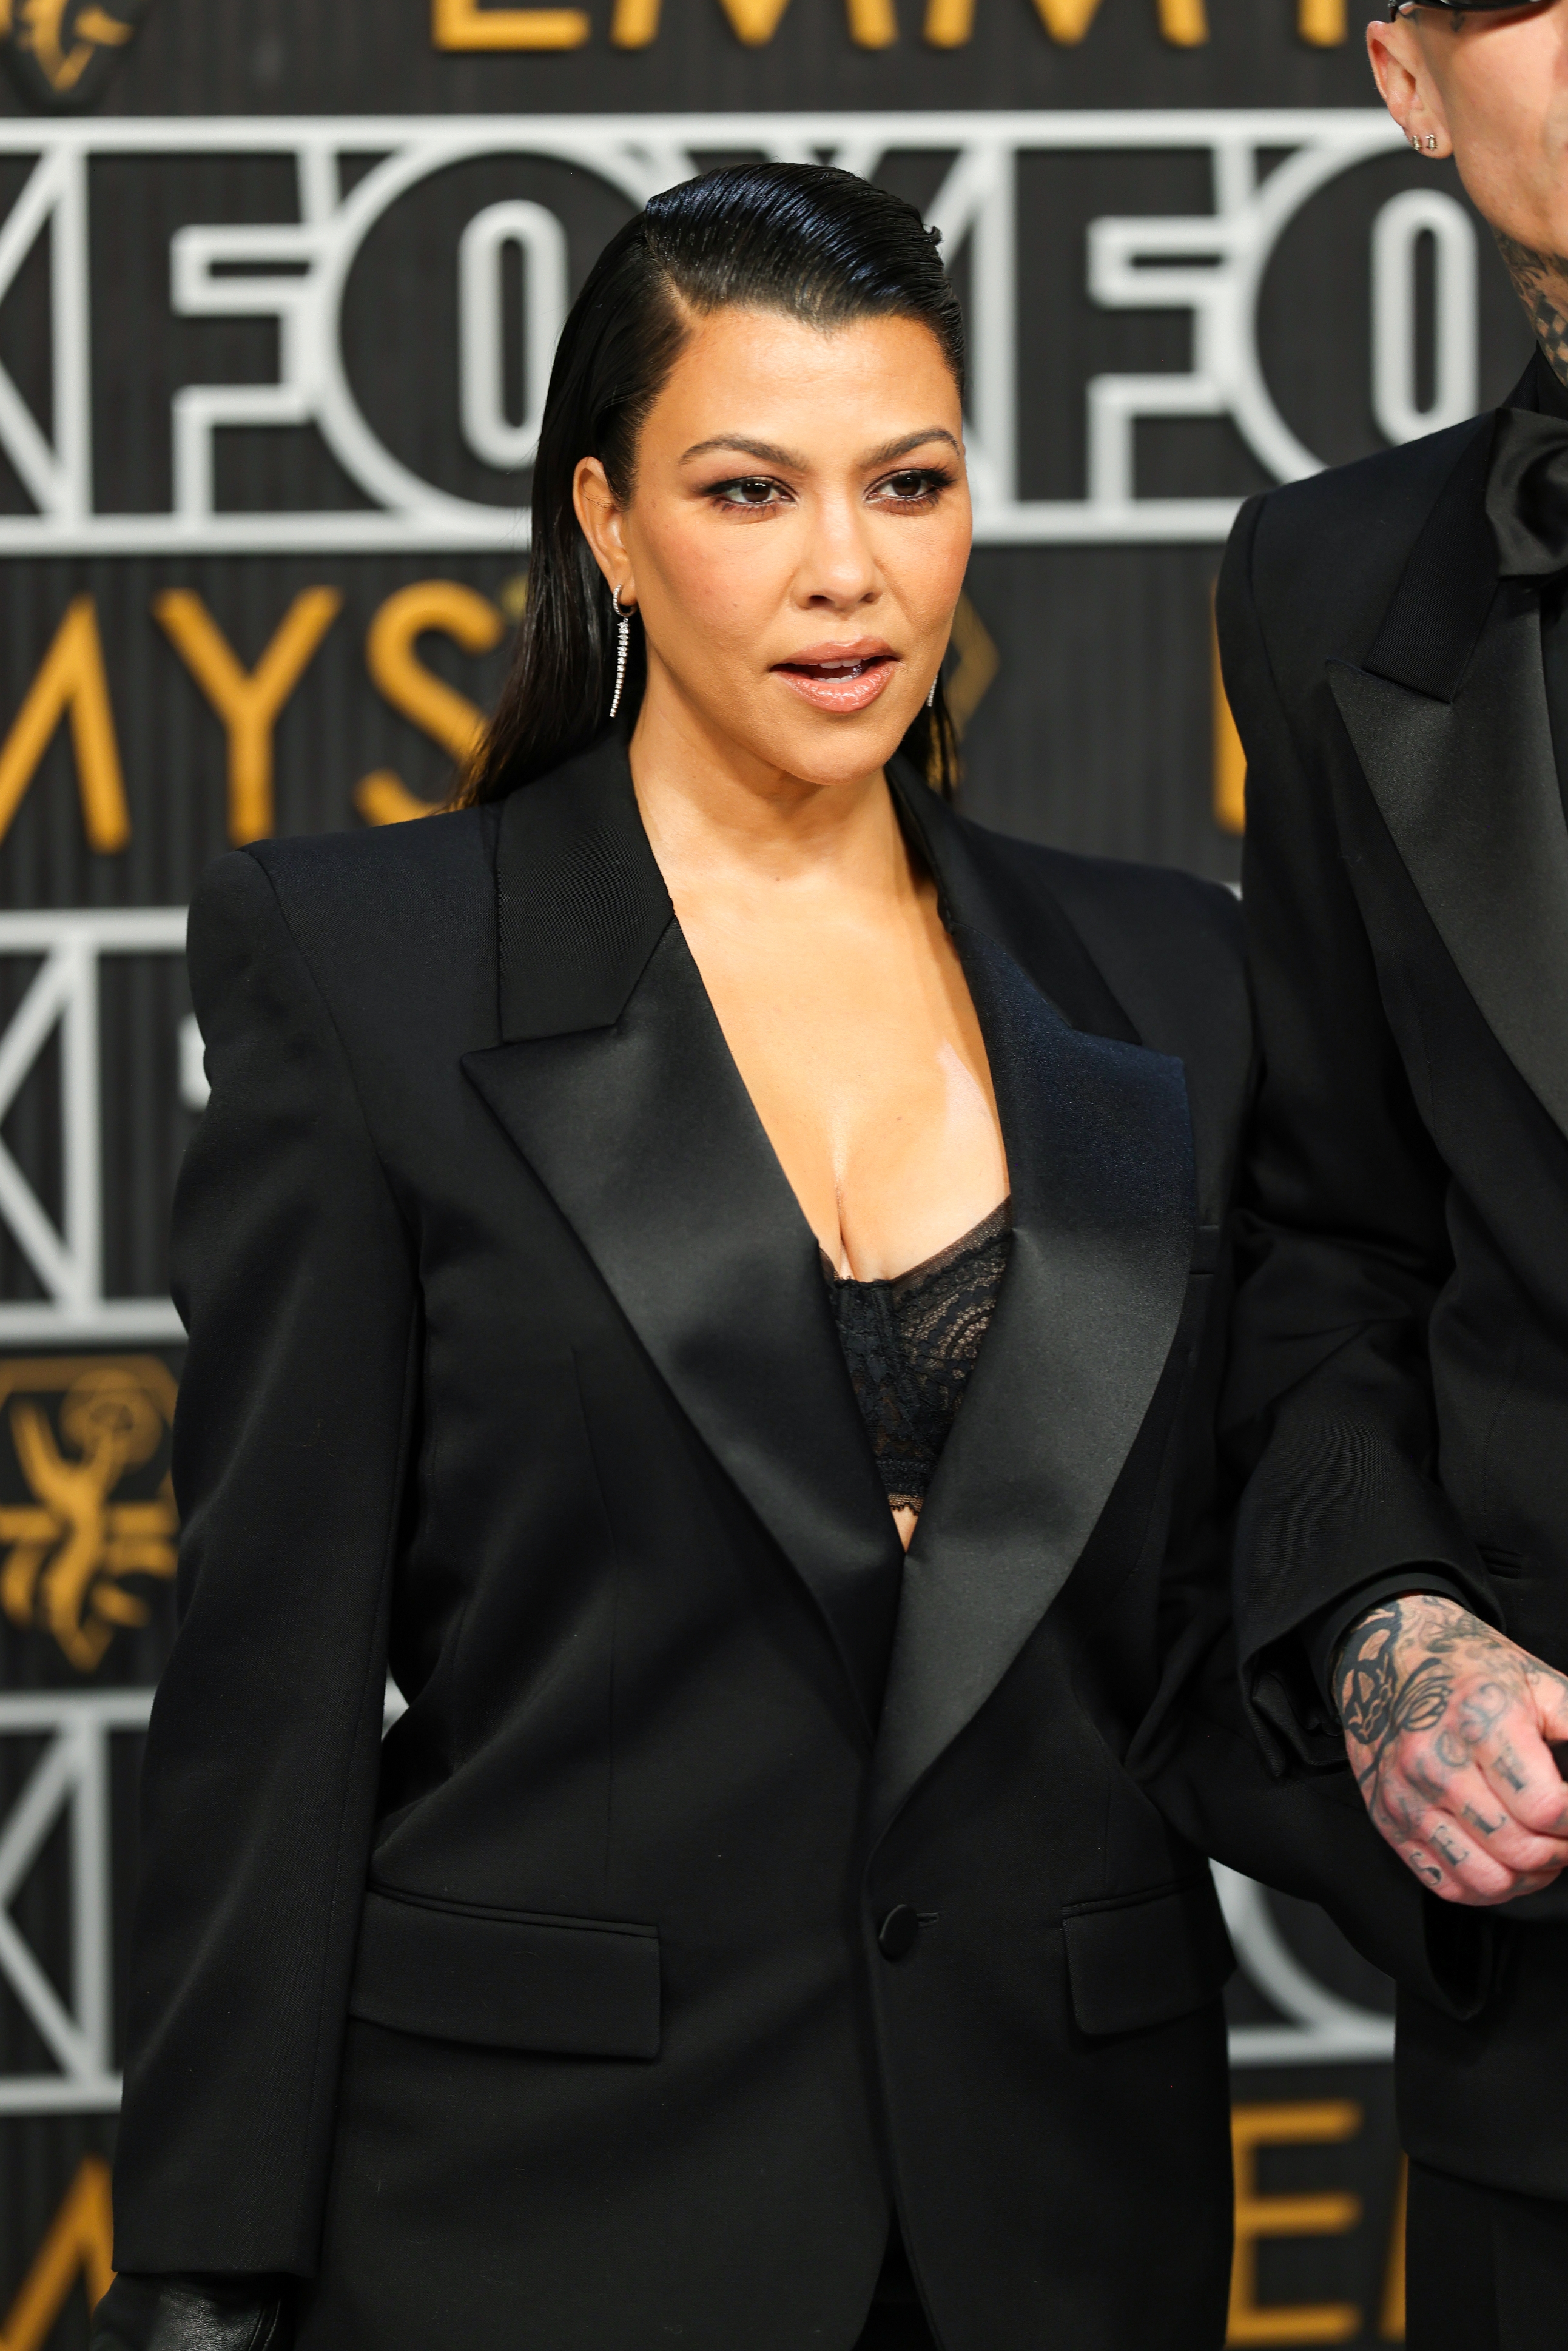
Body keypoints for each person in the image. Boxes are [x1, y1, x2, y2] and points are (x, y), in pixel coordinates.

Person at [95, 165, 1476, 2351]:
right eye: (748, 489)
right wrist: (198, 2272)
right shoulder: (365, 969)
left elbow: (1196, 1617)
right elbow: (262, 1692)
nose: (849, 573)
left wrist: (1438, 1747)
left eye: (909, 483)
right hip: (527, 2212)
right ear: (607, 525)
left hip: (1062, 2217)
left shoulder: (1169, 985)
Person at [1217, 4, 1568, 2343]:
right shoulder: (1331, 584)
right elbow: (1330, 1235)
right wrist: (1382, 1622)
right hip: (1554, 2042)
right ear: (1403, 79)